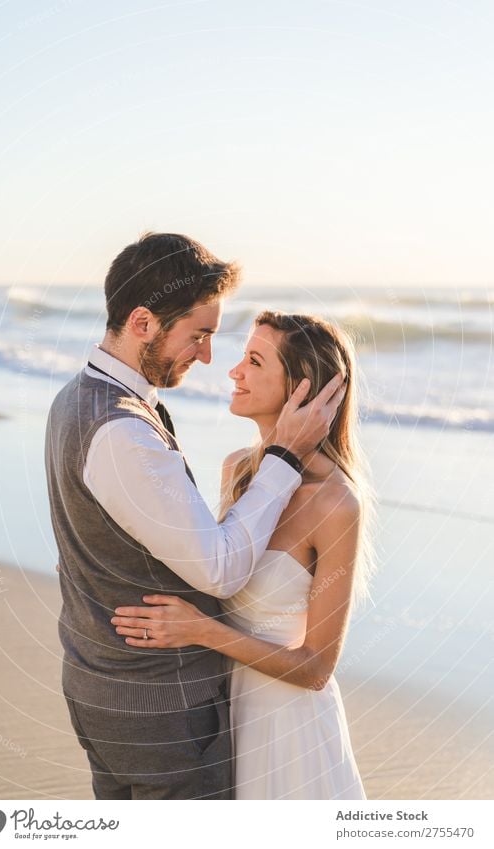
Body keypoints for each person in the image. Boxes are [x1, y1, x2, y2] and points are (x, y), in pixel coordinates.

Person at [44, 233, 346, 800]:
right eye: (199, 334)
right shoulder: (120, 429)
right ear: (142, 323)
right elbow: (221, 570)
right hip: (163, 716)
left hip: (112, 695)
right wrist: (282, 457)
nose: (210, 357)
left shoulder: (76, 399)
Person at [110, 310, 372, 799]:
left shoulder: (336, 504)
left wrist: (201, 631)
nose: (234, 371)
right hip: (225, 723)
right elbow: (208, 568)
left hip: (292, 736)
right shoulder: (237, 470)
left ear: (301, 388)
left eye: (253, 361)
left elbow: (316, 668)